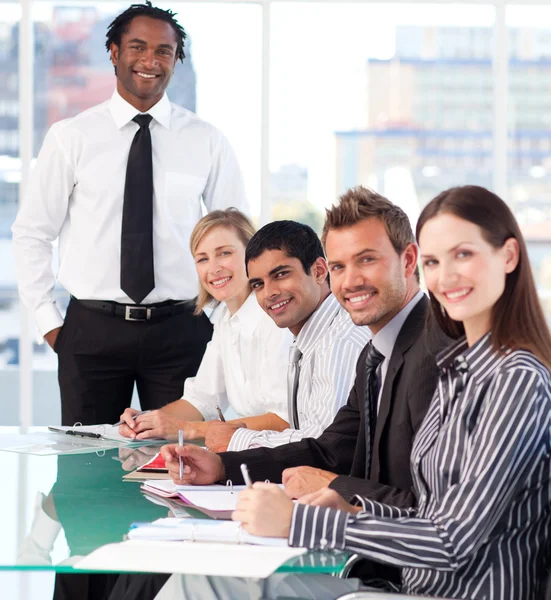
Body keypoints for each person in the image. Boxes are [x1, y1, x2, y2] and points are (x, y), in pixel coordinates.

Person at [231, 185, 551, 600]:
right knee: (208, 581)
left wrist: (299, 521)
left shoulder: (516, 379)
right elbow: (429, 508)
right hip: (407, 587)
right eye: (436, 261)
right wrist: (349, 505)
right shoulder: (460, 369)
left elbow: (452, 540)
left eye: (464, 255)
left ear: (508, 256)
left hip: (454, 594)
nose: (446, 276)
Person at [161, 188, 450, 591]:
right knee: (201, 576)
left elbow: (439, 518)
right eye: (340, 266)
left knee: (205, 581)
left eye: (366, 260)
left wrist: (325, 494)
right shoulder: (376, 353)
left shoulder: (442, 357)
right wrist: (221, 468)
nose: (349, 281)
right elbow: (330, 449)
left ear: (409, 260)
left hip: (415, 582)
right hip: (376, 565)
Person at [11, 1, 248, 427]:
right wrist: (51, 324)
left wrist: (217, 320)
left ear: (176, 60)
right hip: (92, 331)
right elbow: (31, 234)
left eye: (163, 51)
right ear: (114, 52)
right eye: (138, 47)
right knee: (87, 474)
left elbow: (239, 241)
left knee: (182, 467)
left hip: (183, 330)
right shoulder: (71, 138)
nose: (150, 60)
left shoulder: (207, 141)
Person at [117, 208, 292, 443]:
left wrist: (188, 429)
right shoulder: (224, 320)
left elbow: (284, 420)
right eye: (202, 259)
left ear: (252, 255)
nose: (214, 268)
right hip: (253, 451)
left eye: (224, 253)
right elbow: (202, 400)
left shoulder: (275, 320)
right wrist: (148, 421)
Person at [201, 220, 371, 453]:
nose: (269, 293)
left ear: (319, 271)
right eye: (258, 284)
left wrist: (237, 440)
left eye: (281, 274)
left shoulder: (339, 342)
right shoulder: (306, 339)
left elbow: (323, 446)